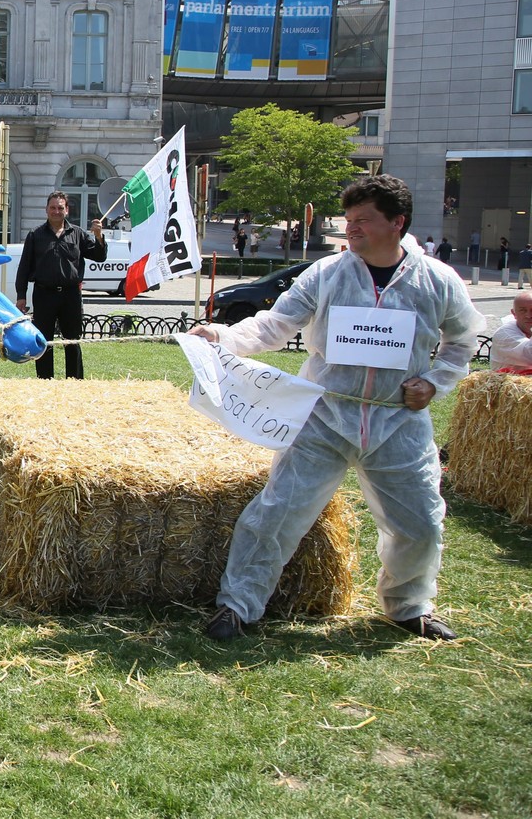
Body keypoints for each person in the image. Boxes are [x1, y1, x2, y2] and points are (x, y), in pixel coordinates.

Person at [190, 174, 479, 644]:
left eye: (364, 220)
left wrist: (433, 382)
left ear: (397, 223)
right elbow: (273, 325)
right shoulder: (327, 274)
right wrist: (221, 336)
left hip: (397, 421)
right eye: (349, 220)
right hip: (323, 416)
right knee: (277, 513)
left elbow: (462, 342)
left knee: (421, 521)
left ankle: (408, 606)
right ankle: (237, 606)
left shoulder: (438, 282)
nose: (352, 229)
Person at [14, 191, 107, 380]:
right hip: (43, 294)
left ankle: (74, 382)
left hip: (70, 295)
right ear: (46, 210)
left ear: (67, 210)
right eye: (53, 208)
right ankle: (45, 381)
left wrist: (98, 236)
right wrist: (21, 295)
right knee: (43, 342)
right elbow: (24, 267)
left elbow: (99, 256)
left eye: (60, 208)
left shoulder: (78, 234)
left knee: (72, 341)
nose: (56, 211)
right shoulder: (35, 235)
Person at [489, 291, 532, 370]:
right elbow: (529, 355)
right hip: (505, 381)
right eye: (523, 310)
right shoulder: (504, 334)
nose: (528, 316)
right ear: (514, 313)